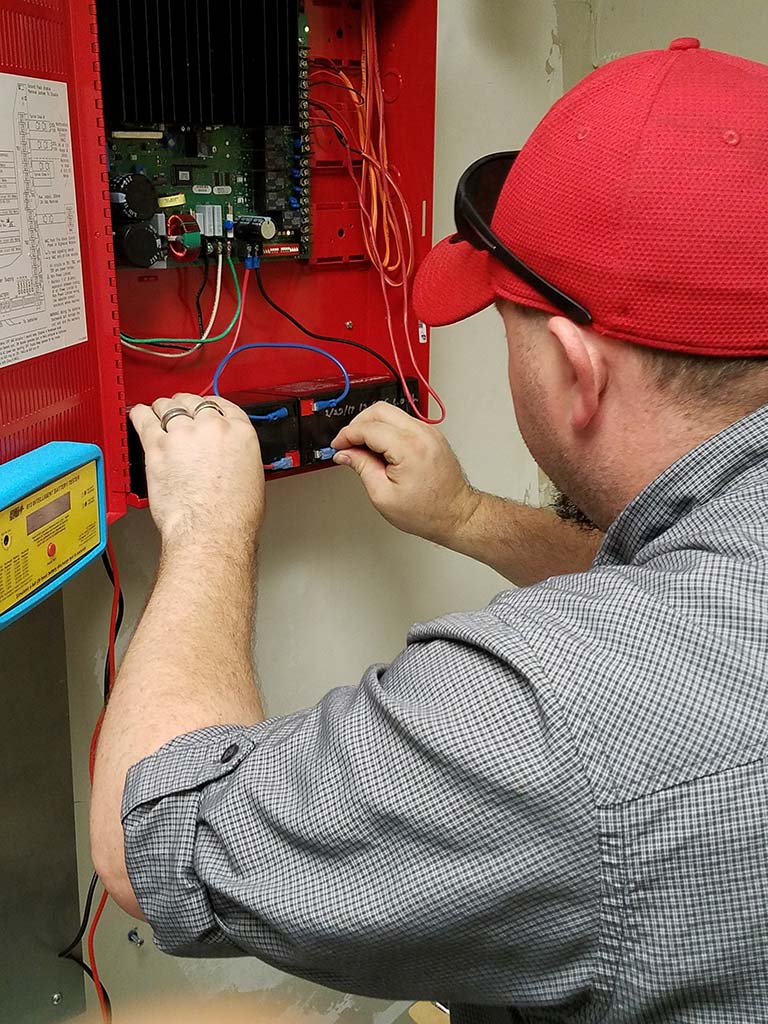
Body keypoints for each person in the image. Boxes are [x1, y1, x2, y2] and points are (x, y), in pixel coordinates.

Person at [91, 39, 768, 1023]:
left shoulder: (552, 718)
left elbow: (146, 839)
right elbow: (693, 587)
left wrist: (203, 523)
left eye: (504, 322)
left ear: (579, 371)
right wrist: (465, 517)